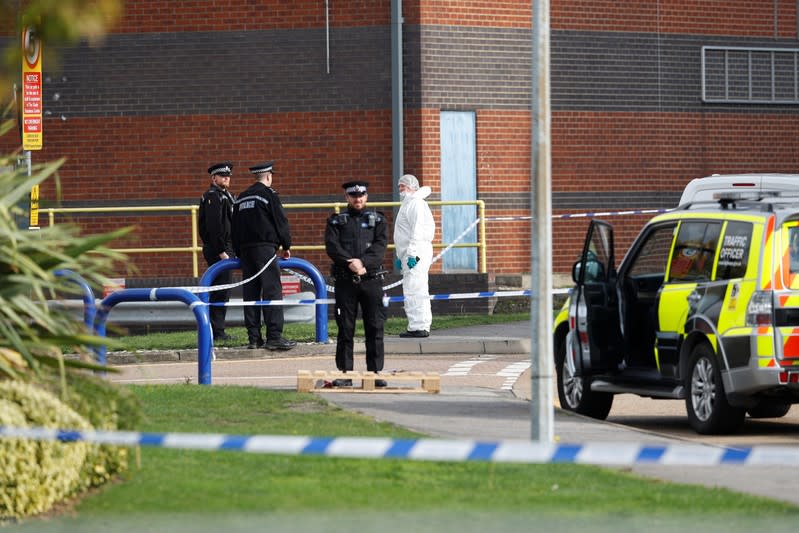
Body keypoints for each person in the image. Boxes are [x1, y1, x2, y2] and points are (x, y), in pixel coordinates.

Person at [324, 181, 389, 387]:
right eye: (354, 196)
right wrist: (350, 263)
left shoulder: (378, 220)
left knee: (375, 327)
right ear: (347, 198)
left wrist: (364, 263)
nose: (358, 199)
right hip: (346, 281)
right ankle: (345, 373)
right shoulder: (336, 221)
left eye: (361, 195)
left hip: (371, 280)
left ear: (366, 197)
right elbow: (332, 247)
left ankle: (375, 372)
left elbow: (380, 247)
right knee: (345, 328)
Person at [231, 161, 296, 351]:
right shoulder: (269, 195)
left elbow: (234, 227)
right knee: (272, 291)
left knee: (250, 293)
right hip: (265, 250)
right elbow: (280, 222)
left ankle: (254, 337)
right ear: (268, 176)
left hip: (245, 252)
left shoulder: (241, 198)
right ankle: (274, 336)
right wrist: (286, 245)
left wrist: (238, 251)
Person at [393, 174, 435, 338]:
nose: (400, 189)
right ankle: (419, 325)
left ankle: (418, 326)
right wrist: (400, 255)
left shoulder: (415, 204)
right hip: (413, 252)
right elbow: (404, 233)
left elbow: (416, 232)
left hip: (415, 253)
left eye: (402, 186)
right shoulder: (410, 203)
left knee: (414, 289)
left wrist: (411, 255)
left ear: (411, 187)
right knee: (416, 288)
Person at [199, 161, 235, 341]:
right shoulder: (213, 196)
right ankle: (217, 331)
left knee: (223, 291)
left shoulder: (226, 196)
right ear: (214, 178)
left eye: (228, 176)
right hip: (218, 249)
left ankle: (217, 330)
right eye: (222, 176)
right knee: (220, 291)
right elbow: (214, 227)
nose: (226, 178)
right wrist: (221, 251)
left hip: (225, 248)